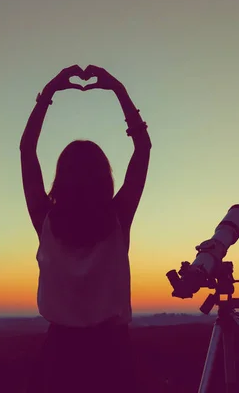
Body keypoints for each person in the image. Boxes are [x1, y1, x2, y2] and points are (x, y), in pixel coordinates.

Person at [20, 65, 152, 393]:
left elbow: (27, 151)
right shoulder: (118, 218)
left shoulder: (45, 220)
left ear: (60, 179)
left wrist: (47, 94)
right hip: (112, 354)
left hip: (59, 355)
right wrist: (118, 90)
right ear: (104, 178)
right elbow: (143, 149)